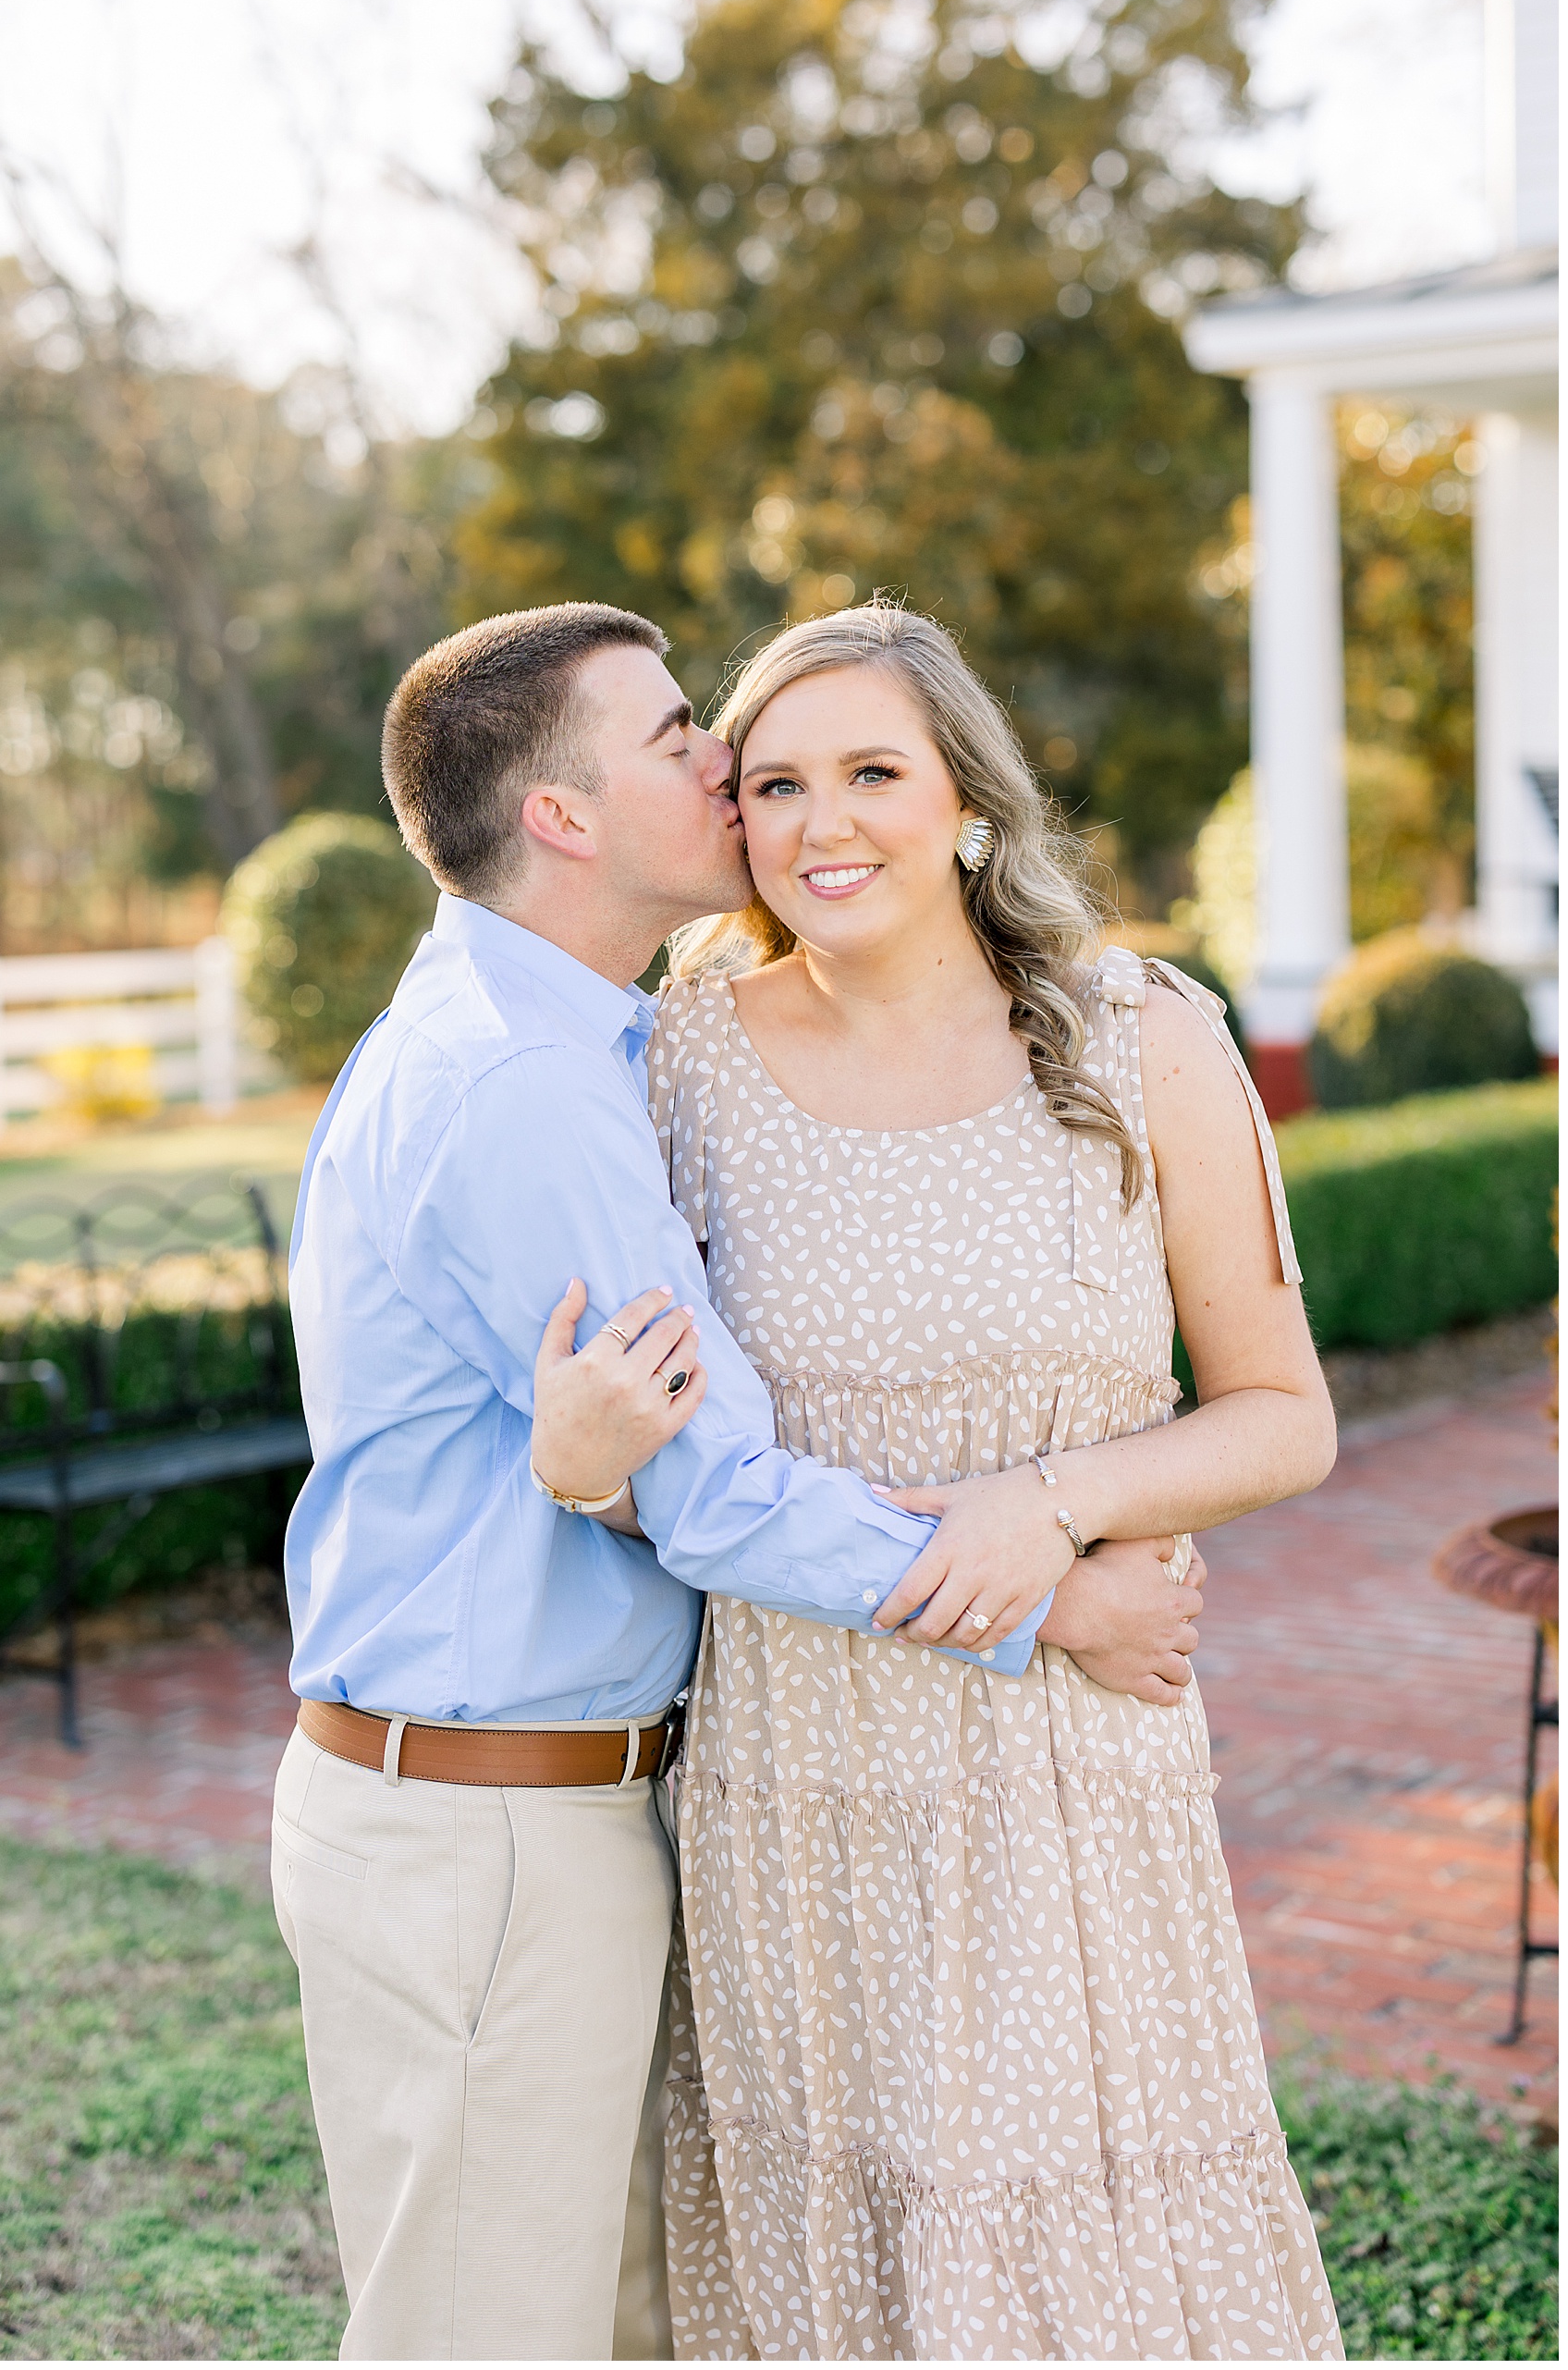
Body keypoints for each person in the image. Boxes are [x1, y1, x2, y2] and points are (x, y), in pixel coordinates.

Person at [273, 601, 1195, 2362]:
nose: (722, 761)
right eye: (676, 733)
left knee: (618, 2326)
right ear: (561, 815)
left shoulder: (586, 1040)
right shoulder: (527, 1085)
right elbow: (715, 1492)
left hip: (538, 1810)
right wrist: (1056, 1596)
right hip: (487, 1833)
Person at [618, 601, 1343, 2360]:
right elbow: (667, 1452)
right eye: (776, 783)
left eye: (875, 771)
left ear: (966, 797)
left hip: (1068, 1775)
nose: (825, 823)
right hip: (797, 1767)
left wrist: (1053, 1503)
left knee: (1083, 2258)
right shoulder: (680, 1058)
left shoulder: (1141, 1037)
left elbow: (1282, 1415)